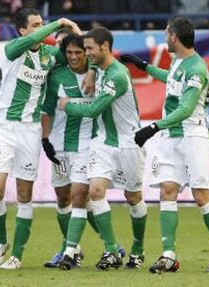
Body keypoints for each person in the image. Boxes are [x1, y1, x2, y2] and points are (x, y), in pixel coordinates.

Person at [121, 15, 209, 273]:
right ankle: (169, 255)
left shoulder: (197, 68)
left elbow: (186, 108)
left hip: (194, 135)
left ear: (173, 37)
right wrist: (144, 66)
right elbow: (170, 79)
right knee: (167, 189)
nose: (164, 37)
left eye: (165, 33)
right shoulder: (179, 63)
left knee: (201, 195)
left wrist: (153, 127)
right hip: (173, 137)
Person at [0, 8, 85, 270]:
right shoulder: (13, 50)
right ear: (23, 31)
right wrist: (58, 22)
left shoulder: (50, 56)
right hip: (3, 127)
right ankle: (1, 241)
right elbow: (33, 41)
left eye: (43, 24)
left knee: (24, 195)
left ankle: (16, 256)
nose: (42, 28)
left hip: (30, 130)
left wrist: (74, 33)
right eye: (36, 25)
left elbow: (80, 54)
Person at [59, 27, 147, 271]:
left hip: (129, 143)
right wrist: (92, 70)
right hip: (103, 142)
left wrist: (67, 106)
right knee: (96, 191)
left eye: (89, 49)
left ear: (105, 47)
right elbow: (96, 66)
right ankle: (111, 250)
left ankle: (138, 248)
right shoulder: (100, 68)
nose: (86, 54)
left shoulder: (118, 75)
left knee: (133, 197)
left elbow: (93, 110)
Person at [42, 33, 124, 269]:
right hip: (59, 144)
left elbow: (106, 58)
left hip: (88, 144)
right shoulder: (57, 75)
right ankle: (83, 247)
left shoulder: (100, 72)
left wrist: (92, 71)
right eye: (69, 53)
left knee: (80, 195)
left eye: (79, 52)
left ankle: (70, 249)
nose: (74, 57)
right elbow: (47, 109)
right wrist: (45, 139)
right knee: (62, 197)